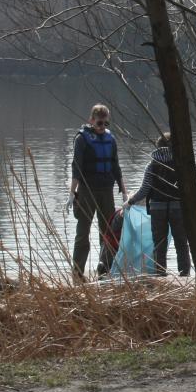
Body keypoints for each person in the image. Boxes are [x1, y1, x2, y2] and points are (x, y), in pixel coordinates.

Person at [70, 104, 126, 279]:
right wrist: (72, 193)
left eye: (105, 123)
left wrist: (124, 191)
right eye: (99, 123)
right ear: (91, 120)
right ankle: (78, 271)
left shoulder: (111, 139)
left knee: (109, 232)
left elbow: (116, 167)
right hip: (87, 190)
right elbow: (76, 167)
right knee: (83, 232)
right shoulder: (81, 139)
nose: (102, 127)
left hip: (106, 190)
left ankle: (105, 269)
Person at [126, 132, 191, 276]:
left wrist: (131, 201)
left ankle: (160, 274)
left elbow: (144, 190)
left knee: (159, 245)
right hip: (178, 207)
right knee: (181, 243)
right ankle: (185, 274)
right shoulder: (180, 164)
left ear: (158, 146)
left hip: (157, 208)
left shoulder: (151, 166)